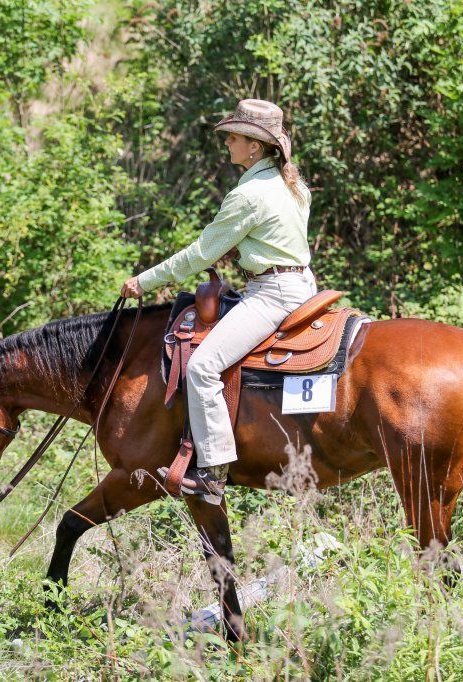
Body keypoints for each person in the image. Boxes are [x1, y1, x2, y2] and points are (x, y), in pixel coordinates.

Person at [120, 98, 316, 504]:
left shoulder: (249, 196)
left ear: (255, 148)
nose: (227, 142)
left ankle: (212, 471)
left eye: (234, 137)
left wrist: (146, 279)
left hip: (272, 295)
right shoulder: (293, 187)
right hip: (300, 286)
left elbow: (199, 254)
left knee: (204, 366)